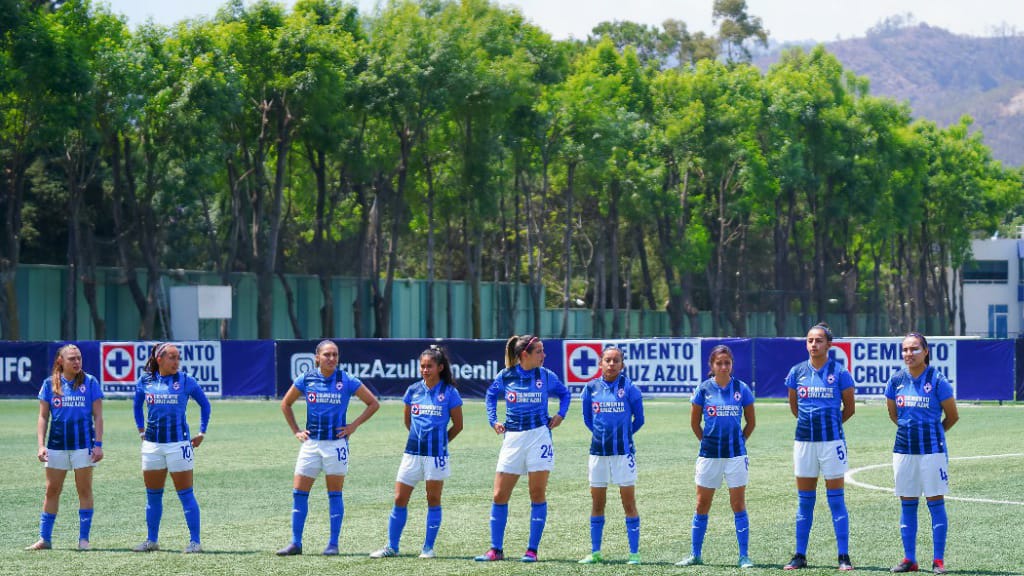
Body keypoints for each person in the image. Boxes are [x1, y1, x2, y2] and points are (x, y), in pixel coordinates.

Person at [276, 339, 380, 557]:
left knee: (334, 494)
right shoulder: (307, 378)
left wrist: (353, 426)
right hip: (311, 444)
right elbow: (286, 403)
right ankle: (295, 543)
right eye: (327, 355)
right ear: (317, 358)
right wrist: (296, 430)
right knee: (299, 493)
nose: (332, 358)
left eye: (335, 355)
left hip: (336, 445)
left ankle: (333, 544)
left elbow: (373, 403)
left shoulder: (346, 379)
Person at [475, 334, 571, 563]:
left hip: (539, 437)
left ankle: (532, 551)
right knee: (499, 495)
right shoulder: (506, 375)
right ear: (524, 355)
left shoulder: (545, 376)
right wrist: (493, 420)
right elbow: (490, 395)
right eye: (539, 351)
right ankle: (495, 550)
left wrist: (561, 415)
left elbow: (565, 394)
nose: (544, 355)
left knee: (536, 494)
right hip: (513, 439)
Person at [369, 346, 464, 559]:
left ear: (440, 367)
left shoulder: (449, 392)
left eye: (429, 366)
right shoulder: (413, 390)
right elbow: (407, 421)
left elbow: (458, 425)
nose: (425, 370)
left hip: (436, 457)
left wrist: (441, 443)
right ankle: (392, 546)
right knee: (399, 498)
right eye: (422, 366)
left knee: (433, 499)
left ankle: (428, 548)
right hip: (411, 454)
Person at [676, 345, 756, 569]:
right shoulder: (703, 390)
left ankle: (744, 556)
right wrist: (707, 442)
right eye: (719, 363)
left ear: (731, 365)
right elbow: (694, 423)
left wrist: (739, 442)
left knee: (738, 504)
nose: (723, 366)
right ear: (711, 365)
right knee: (702, 504)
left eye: (727, 363)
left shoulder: (741, 388)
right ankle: (695, 554)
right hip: (709, 455)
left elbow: (751, 423)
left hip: (735, 456)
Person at [783, 323, 856, 571]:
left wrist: (830, 424)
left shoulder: (840, 372)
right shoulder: (796, 372)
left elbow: (850, 408)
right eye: (810, 340)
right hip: (804, 442)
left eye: (819, 340)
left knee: (836, 500)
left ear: (829, 345)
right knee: (805, 501)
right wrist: (811, 425)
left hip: (832, 442)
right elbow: (795, 407)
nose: (814, 344)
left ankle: (843, 556)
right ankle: (799, 555)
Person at [885, 333, 959, 575]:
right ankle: (910, 559)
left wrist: (934, 432)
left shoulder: (938, 381)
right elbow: (894, 415)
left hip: (933, 452)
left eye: (914, 349)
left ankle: (938, 561)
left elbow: (952, 416)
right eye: (905, 349)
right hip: (904, 450)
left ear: (926, 351)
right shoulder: (895, 380)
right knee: (907, 504)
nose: (909, 354)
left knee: (936, 504)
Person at [132, 342, 212, 554]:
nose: (176, 362)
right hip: (152, 445)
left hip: (179, 444)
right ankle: (152, 540)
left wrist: (202, 432)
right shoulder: (145, 380)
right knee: (153, 495)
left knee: (186, 494)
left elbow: (205, 404)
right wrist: (141, 431)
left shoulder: (186, 380)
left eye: (178, 358)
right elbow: (137, 405)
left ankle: (195, 542)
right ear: (159, 359)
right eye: (172, 358)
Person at [26, 344, 104, 551]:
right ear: (61, 361)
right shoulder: (50, 384)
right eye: (72, 359)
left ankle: (84, 540)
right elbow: (43, 417)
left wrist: (98, 445)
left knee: (84, 490)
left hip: (83, 446)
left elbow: (98, 416)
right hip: (56, 445)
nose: (77, 362)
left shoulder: (91, 382)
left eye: (79, 358)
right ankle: (45, 539)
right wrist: (41, 445)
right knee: (52, 490)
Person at [577, 346, 645, 566]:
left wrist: (624, 435)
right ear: (600, 363)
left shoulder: (630, 388)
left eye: (616, 360)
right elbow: (588, 419)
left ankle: (634, 554)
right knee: (597, 503)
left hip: (623, 454)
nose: (612, 364)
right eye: (608, 360)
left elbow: (640, 419)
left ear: (622, 365)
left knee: (629, 503)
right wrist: (601, 435)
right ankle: (595, 552)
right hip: (597, 453)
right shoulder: (590, 388)